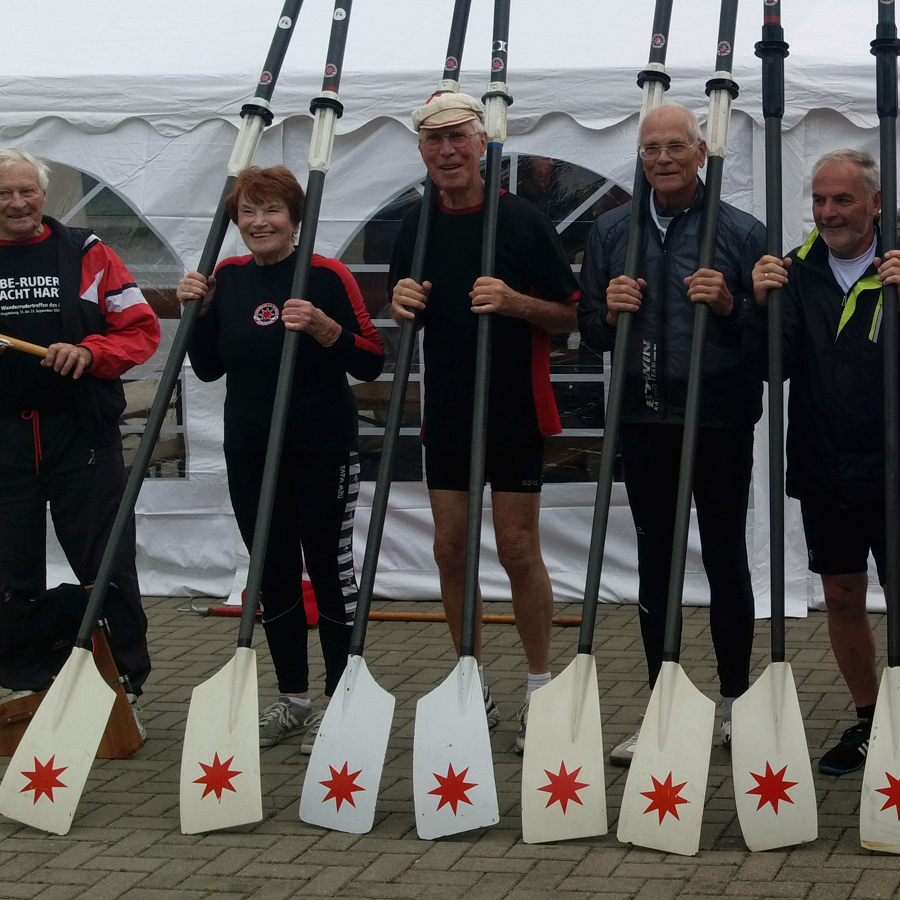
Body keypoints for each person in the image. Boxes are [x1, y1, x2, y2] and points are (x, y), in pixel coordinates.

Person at [0, 147, 159, 702]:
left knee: (106, 562)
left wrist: (91, 353)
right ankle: (28, 686)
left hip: (80, 435)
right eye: (4, 193)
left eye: (27, 191)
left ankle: (123, 683)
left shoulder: (87, 253)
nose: (17, 203)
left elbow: (139, 330)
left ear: (44, 195)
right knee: (8, 571)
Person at [751, 149, 900, 776]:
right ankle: (870, 718)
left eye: (842, 200)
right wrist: (758, 309)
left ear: (874, 203)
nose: (828, 213)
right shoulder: (794, 270)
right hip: (821, 459)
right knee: (841, 593)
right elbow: (771, 368)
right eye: (819, 200)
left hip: (897, 462)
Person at [386, 93, 581, 748]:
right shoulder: (412, 226)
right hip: (445, 410)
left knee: (518, 548)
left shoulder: (521, 222)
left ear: (482, 145)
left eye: (458, 139)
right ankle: (470, 680)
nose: (447, 152)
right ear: (422, 153)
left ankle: (540, 686)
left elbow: (572, 315)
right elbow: (402, 304)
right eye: (434, 141)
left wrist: (515, 301)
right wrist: (401, 302)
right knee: (449, 548)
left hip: (514, 410)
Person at [577, 103, 767, 763]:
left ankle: (738, 703)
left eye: (675, 146)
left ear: (701, 151)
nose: (662, 158)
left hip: (717, 418)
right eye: (651, 147)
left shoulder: (741, 232)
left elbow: (772, 346)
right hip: (642, 415)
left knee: (723, 557)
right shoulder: (611, 231)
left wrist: (729, 304)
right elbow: (591, 332)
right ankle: (665, 707)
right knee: (656, 561)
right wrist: (606, 310)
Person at [178, 166, 384, 751]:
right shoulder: (227, 276)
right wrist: (196, 313)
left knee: (329, 569)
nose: (259, 222)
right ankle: (293, 698)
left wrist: (323, 328)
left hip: (321, 445)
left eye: (272, 211)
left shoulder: (324, 274)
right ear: (235, 221)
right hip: (249, 447)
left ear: (296, 218)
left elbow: (370, 358)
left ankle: (340, 699)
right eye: (248, 212)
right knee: (271, 571)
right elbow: (209, 367)